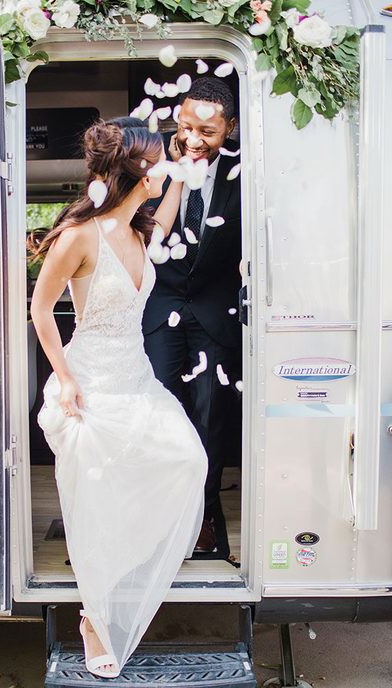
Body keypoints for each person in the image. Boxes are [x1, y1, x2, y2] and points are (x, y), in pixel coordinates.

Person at [29, 121, 207, 678]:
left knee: (187, 460)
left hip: (136, 379)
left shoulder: (138, 228)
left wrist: (180, 167)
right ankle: (95, 619)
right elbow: (40, 309)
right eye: (158, 162)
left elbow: (168, 216)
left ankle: (120, 577)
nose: (165, 169)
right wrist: (66, 379)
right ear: (134, 170)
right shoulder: (79, 236)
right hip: (91, 385)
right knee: (98, 506)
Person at [143, 77, 242, 559]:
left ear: (231, 127)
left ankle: (204, 518)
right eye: (186, 127)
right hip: (160, 312)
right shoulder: (153, 162)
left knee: (209, 419)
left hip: (214, 314)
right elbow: (141, 235)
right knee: (161, 416)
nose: (194, 140)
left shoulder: (247, 171)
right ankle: (162, 519)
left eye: (208, 131)